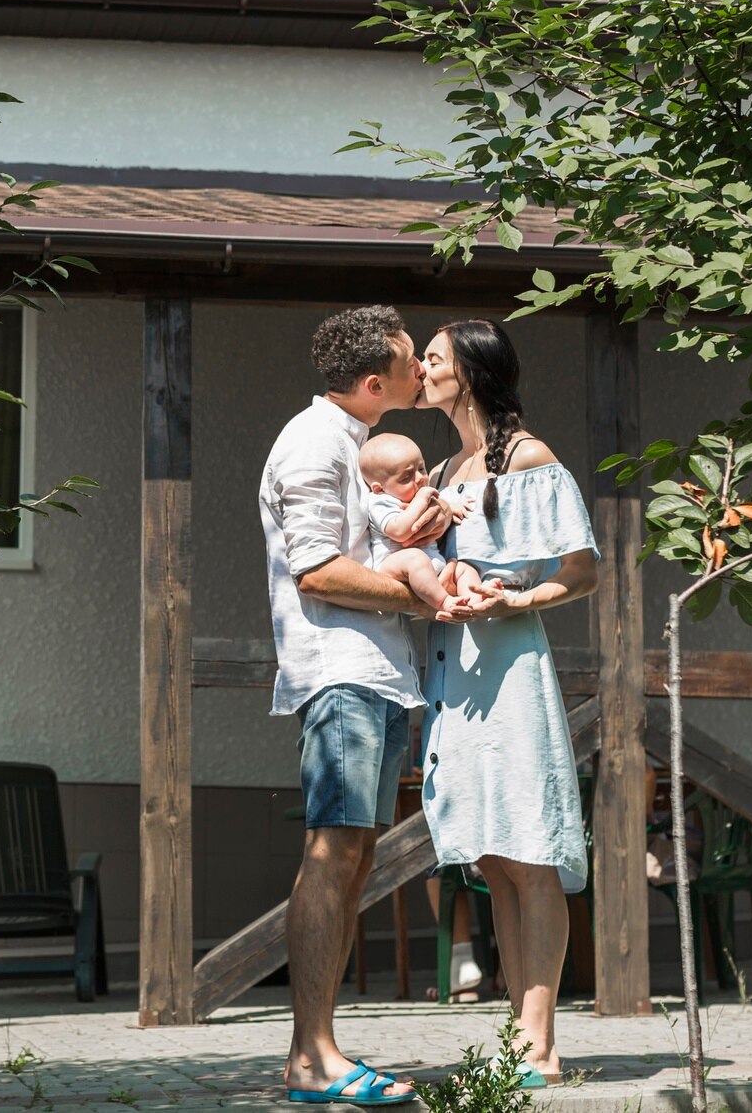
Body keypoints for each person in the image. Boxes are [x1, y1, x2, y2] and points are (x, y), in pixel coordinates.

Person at [258, 306, 473, 1106]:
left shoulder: (361, 446)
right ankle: (312, 1055)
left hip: (380, 676)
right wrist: (421, 600)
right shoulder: (315, 443)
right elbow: (315, 569)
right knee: (333, 852)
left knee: (357, 859)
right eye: (413, 358)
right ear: (376, 381)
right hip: (341, 672)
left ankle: (319, 1048)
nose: (423, 367)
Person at [416, 317, 600, 1087]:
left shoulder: (530, 457)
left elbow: (582, 568)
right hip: (455, 677)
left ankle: (541, 1040)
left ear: (471, 372)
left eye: (433, 358)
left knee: (530, 851)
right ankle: (517, 1036)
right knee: (491, 853)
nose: (421, 368)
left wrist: (513, 599)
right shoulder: (441, 466)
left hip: (511, 666)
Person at [359, 432, 482, 615]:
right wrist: (422, 499)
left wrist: (450, 507)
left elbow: (441, 508)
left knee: (464, 568)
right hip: (396, 570)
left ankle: (476, 601)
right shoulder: (381, 502)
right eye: (406, 477)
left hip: (432, 571)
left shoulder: (417, 495)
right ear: (379, 488)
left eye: (422, 468)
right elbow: (399, 531)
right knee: (415, 559)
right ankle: (445, 602)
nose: (420, 478)